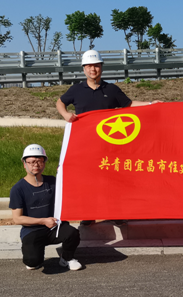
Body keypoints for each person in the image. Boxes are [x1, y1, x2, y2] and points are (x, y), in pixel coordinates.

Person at [56, 49, 160, 226]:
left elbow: (129, 104)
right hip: (85, 145)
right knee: (88, 180)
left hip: (109, 145)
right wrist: (65, 114)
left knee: (112, 178)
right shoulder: (76, 90)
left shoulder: (111, 89)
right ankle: (88, 214)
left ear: (101, 67)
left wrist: (151, 104)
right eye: (89, 66)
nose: (93, 69)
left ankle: (115, 212)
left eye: (96, 66)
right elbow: (60, 102)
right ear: (83, 69)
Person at [9, 144, 82, 271]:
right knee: (32, 262)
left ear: (44, 163)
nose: (36, 165)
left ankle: (66, 258)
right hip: (32, 230)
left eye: (40, 161)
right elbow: (17, 219)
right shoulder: (18, 189)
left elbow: (71, 191)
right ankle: (34, 253)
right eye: (31, 162)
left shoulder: (53, 181)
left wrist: (65, 172)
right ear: (24, 164)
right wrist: (43, 221)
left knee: (73, 233)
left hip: (54, 227)